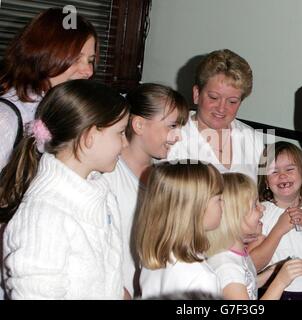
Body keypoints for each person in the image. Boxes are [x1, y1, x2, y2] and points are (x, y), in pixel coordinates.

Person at [0, 79, 130, 299]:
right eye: (120, 132)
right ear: (90, 137)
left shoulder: (102, 194)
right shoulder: (44, 215)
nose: (125, 143)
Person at [103, 83, 188, 298]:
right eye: (171, 126)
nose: (178, 136)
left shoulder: (164, 178)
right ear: (139, 125)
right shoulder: (107, 176)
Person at [0, 7, 97, 172]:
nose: (88, 71)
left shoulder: (61, 108)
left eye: (90, 60)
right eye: (76, 59)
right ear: (42, 54)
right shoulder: (6, 117)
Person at [250, 142, 302, 300]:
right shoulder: (259, 212)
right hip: (272, 292)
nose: (282, 175)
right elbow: (251, 265)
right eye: (274, 171)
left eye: (289, 169)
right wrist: (278, 230)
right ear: (266, 181)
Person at [206, 172, 302, 300]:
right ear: (234, 216)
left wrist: (271, 273)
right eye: (255, 205)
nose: (263, 208)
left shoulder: (236, 255)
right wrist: (280, 282)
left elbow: (246, 285)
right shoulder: (227, 268)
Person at [167, 49, 264, 182]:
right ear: (196, 94)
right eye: (213, 97)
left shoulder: (253, 140)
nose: (221, 108)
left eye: (232, 101)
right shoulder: (172, 139)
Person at [135, 161, 224, 298]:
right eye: (218, 198)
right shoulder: (201, 278)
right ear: (196, 209)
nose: (223, 203)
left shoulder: (155, 259)